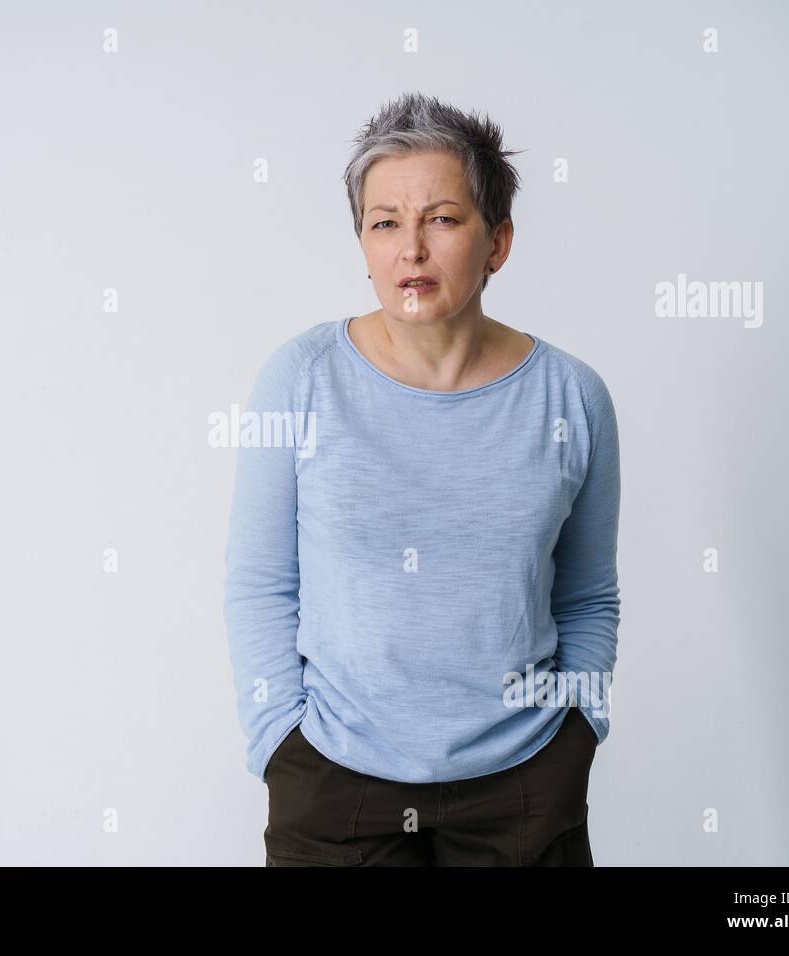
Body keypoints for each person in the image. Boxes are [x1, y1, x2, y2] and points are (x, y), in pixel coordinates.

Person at [223, 91, 621, 866]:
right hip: (335, 787)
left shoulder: (573, 397)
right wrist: (281, 743)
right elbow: (261, 583)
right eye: (384, 223)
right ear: (364, 244)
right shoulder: (300, 380)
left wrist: (579, 727)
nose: (411, 249)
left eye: (441, 219)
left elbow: (587, 595)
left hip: (526, 785)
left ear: (497, 242)